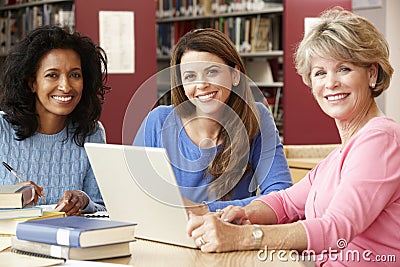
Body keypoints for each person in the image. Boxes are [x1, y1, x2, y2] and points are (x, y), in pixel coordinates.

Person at [187, 7, 400, 266]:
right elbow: (286, 202)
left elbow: (337, 228)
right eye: (320, 72)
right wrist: (244, 213)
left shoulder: (381, 139)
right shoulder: (341, 154)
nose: (330, 83)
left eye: (344, 69)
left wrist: (243, 237)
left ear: (372, 73)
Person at [133, 28, 292, 214]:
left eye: (211, 72)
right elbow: (134, 193)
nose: (201, 85)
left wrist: (202, 209)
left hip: (230, 235)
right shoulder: (158, 121)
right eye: (190, 76)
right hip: (168, 236)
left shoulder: (257, 118)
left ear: (235, 75)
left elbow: (281, 197)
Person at [0, 25, 111, 215]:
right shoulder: (2, 129)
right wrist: (10, 196)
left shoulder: (92, 133)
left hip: (68, 241)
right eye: (52, 75)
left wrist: (84, 201)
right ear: (32, 82)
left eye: (75, 75)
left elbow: (103, 206)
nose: (66, 86)